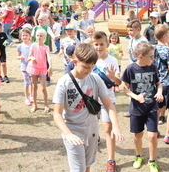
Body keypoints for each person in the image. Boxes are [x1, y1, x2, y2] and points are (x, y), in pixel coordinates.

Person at [53, 43, 124, 172]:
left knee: (87, 166)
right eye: (85, 67)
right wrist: (68, 134)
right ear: (75, 62)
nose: (89, 70)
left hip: (92, 130)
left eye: (92, 67)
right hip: (73, 131)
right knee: (78, 169)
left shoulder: (96, 79)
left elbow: (109, 105)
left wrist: (116, 127)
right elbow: (57, 114)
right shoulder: (64, 82)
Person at [121, 41, 163, 172]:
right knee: (138, 135)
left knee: (152, 135)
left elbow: (158, 83)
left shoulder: (153, 67)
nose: (153, 58)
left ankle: (152, 161)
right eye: (150, 56)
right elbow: (124, 88)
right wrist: (136, 97)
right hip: (136, 109)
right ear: (140, 56)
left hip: (152, 107)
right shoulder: (130, 69)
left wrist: (160, 91)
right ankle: (138, 156)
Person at [92, 31, 122, 171]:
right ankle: (95, 138)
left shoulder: (112, 61)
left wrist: (112, 76)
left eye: (101, 44)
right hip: (91, 100)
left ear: (107, 44)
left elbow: (119, 82)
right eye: (96, 44)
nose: (99, 47)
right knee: (91, 126)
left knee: (108, 129)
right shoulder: (90, 60)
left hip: (107, 100)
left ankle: (111, 160)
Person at [27, 29, 52, 113]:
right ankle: (34, 105)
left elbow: (48, 57)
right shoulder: (33, 46)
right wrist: (32, 58)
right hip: (33, 68)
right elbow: (29, 57)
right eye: (38, 35)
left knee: (43, 88)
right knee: (34, 87)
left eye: (41, 35)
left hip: (43, 69)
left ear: (44, 37)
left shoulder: (46, 47)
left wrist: (50, 66)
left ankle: (46, 105)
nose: (39, 37)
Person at [17, 27, 33, 106]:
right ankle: (26, 98)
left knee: (32, 83)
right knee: (26, 83)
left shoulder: (33, 45)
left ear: (30, 36)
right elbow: (18, 56)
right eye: (23, 35)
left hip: (32, 67)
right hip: (24, 67)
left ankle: (31, 95)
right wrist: (20, 57)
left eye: (26, 35)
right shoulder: (19, 46)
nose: (25, 37)